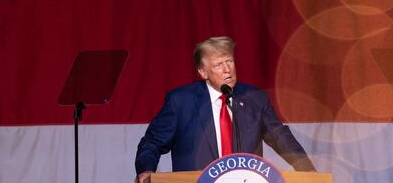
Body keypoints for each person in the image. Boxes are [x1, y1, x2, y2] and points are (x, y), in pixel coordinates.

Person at [134, 36, 315, 183]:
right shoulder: (181, 101)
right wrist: (146, 169)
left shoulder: (255, 99)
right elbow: (153, 142)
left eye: (230, 61)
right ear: (203, 72)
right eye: (218, 65)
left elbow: (280, 138)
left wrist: (308, 171)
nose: (227, 69)